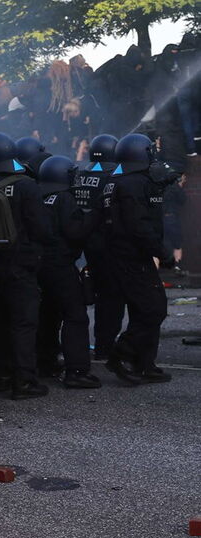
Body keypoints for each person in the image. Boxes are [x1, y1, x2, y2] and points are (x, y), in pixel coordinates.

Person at [0, 132, 51, 399]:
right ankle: (25, 381)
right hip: (21, 264)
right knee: (23, 323)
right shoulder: (26, 185)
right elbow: (42, 229)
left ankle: (3, 376)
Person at [103, 134, 174, 385]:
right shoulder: (133, 184)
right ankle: (121, 354)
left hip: (125, 255)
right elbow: (139, 224)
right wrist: (162, 252)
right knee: (153, 309)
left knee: (142, 308)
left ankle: (144, 363)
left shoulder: (121, 181)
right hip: (132, 256)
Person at [36, 155, 101, 388]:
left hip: (39, 265)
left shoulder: (39, 196)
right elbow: (74, 232)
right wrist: (94, 215)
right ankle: (76, 371)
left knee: (48, 314)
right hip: (60, 266)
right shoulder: (64, 198)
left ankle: (45, 362)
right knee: (75, 316)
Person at [78, 134, 124, 360]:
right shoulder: (112, 175)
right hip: (107, 243)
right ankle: (105, 345)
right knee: (111, 296)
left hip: (86, 243)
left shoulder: (82, 173)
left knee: (98, 293)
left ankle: (99, 342)